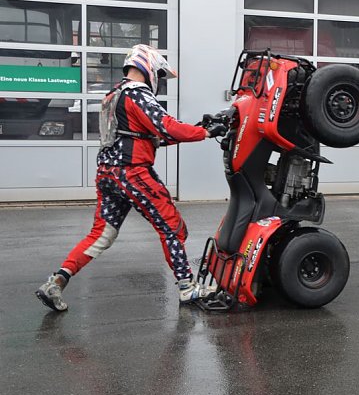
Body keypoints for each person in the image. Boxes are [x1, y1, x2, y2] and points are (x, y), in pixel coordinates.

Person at [35, 44, 227, 312]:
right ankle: (187, 287)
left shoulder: (112, 96)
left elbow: (150, 136)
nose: (159, 81)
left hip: (107, 173)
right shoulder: (138, 95)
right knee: (172, 227)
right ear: (148, 67)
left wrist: (197, 129)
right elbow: (165, 126)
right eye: (159, 75)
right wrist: (205, 133)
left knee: (101, 234)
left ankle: (56, 281)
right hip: (132, 173)